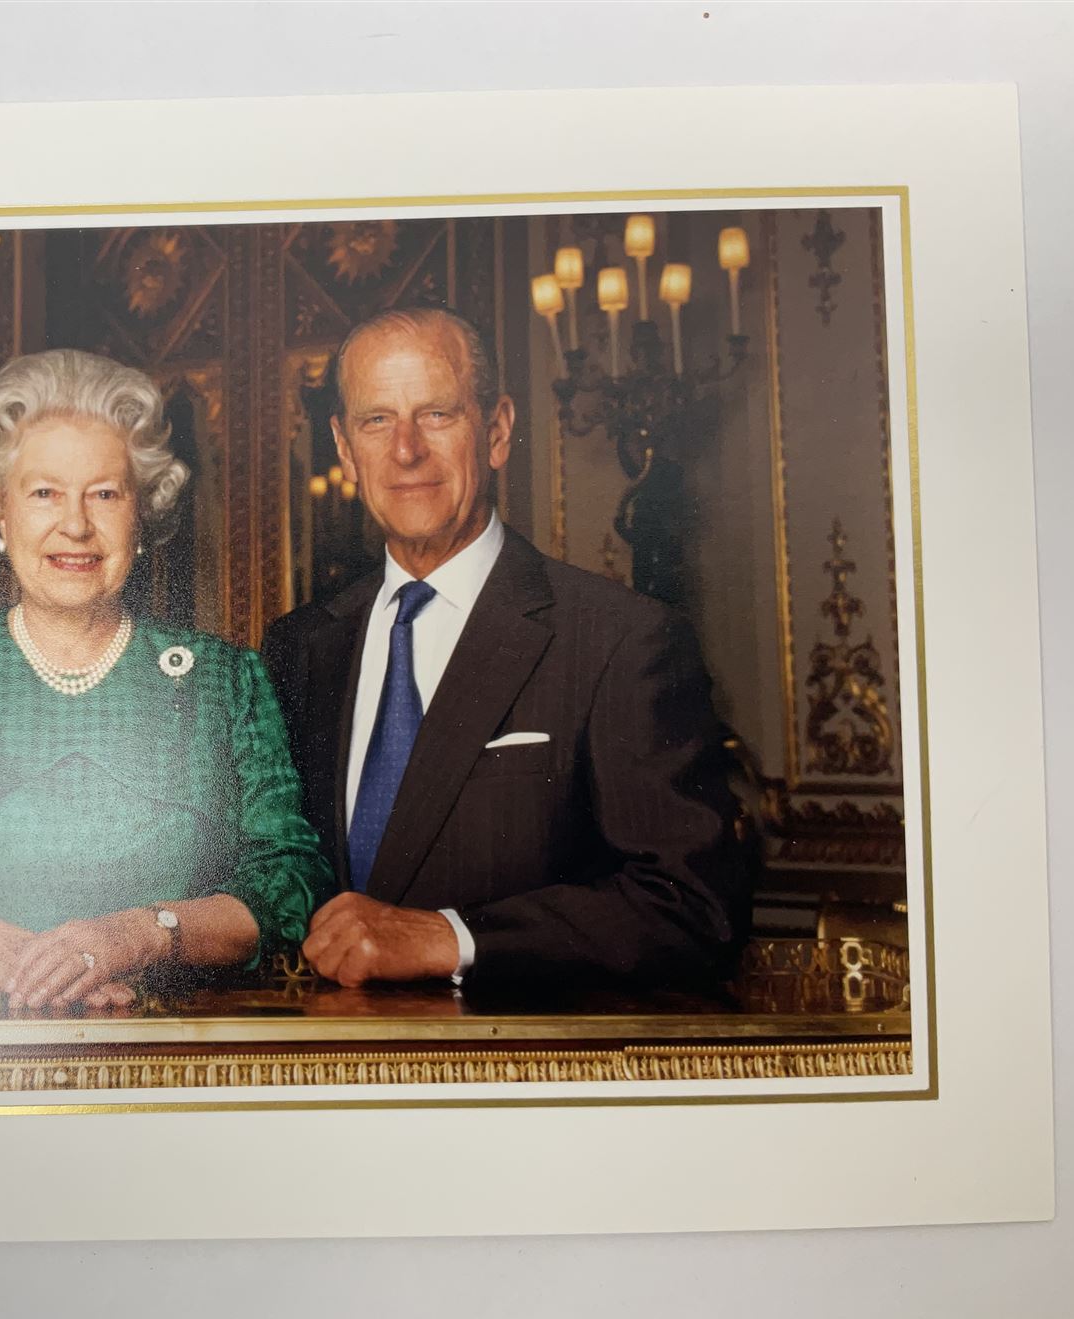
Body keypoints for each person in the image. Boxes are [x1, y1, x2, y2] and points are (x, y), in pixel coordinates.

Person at [0, 349, 330, 1010]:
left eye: (105, 493)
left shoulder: (225, 680)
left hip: (175, 1058)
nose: (75, 524)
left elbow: (293, 882)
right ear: (0, 511)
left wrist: (145, 933)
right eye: (44, 492)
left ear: (141, 512)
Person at [261, 306, 753, 992]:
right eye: (377, 420)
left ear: (496, 432)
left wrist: (455, 938)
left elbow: (695, 906)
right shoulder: (298, 647)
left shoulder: (619, 638)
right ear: (345, 449)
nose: (405, 450)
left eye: (437, 414)